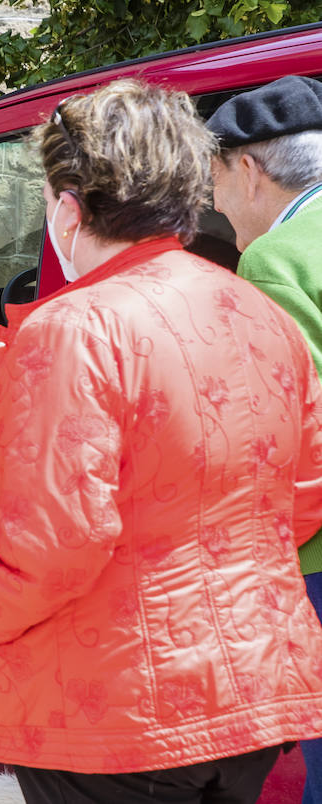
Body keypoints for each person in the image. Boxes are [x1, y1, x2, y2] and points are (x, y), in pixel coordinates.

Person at [0, 79, 322, 803]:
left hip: (124, 711)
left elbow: (54, 543)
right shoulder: (255, 308)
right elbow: (302, 495)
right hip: (253, 686)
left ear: (66, 206)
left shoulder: (75, 327)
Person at [207, 74, 322, 803]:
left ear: (248, 169)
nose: (215, 207)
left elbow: (290, 438)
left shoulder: (277, 262)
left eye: (215, 182)